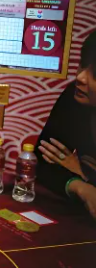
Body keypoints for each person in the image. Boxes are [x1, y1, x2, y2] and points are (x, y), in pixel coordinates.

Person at [36, 30, 96, 219]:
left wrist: (83, 174)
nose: (80, 77)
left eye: (95, 73)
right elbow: (42, 163)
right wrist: (78, 186)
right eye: (82, 65)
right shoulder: (74, 97)